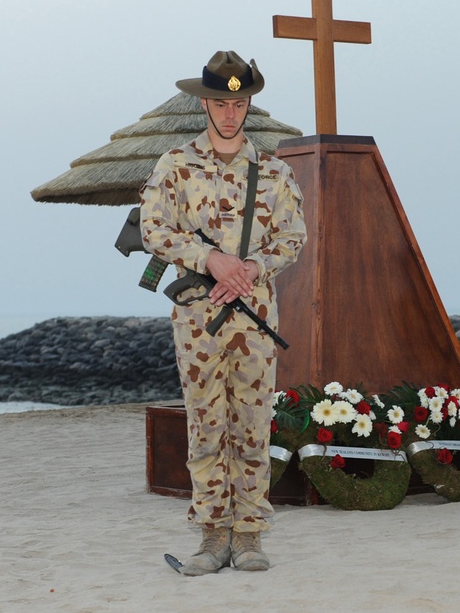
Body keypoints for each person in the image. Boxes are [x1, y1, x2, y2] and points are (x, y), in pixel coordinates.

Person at [141, 51, 307, 574]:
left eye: (238, 102)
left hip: (254, 316)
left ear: (249, 103)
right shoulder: (175, 165)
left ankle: (250, 535)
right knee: (206, 424)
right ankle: (213, 537)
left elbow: (293, 238)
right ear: (204, 103)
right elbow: (153, 228)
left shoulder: (275, 172)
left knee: (254, 424)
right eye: (220, 102)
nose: (230, 113)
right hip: (197, 317)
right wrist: (207, 257)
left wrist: (252, 268)